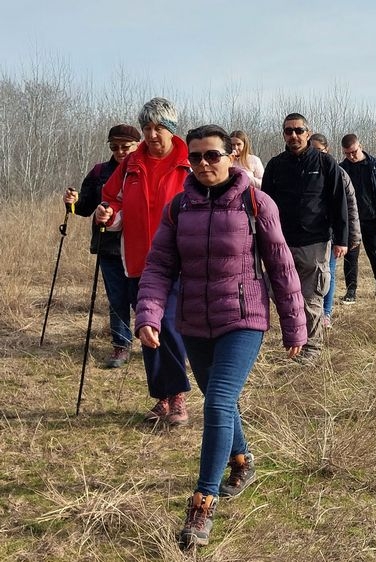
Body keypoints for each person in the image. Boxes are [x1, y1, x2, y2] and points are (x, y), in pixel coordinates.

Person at [135, 125, 305, 548]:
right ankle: (243, 461)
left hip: (243, 319)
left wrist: (294, 324)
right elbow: (157, 267)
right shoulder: (179, 208)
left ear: (231, 155)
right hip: (193, 321)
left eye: (212, 155)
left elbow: (281, 267)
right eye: (195, 158)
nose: (204, 164)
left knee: (218, 401)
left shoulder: (255, 203)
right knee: (219, 398)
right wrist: (148, 315)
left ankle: (202, 502)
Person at [94, 97, 191, 425]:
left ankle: (177, 398)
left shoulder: (189, 161)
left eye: (159, 127)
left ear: (172, 129)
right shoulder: (131, 164)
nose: (152, 134)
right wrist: (106, 214)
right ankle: (161, 398)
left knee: (169, 326)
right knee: (147, 329)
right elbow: (112, 201)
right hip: (138, 261)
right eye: (147, 127)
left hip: (180, 263)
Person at [261, 114, 348, 362]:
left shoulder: (325, 163)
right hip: (282, 243)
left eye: (299, 130)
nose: (294, 136)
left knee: (311, 297)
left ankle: (312, 349)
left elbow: (338, 203)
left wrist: (341, 239)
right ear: (284, 135)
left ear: (308, 133)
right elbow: (264, 206)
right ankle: (294, 340)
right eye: (289, 131)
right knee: (283, 295)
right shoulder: (276, 165)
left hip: (315, 242)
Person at [63, 124, 140, 368]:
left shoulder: (146, 169)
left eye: (125, 147)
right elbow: (85, 207)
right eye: (114, 147)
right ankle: (121, 345)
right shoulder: (99, 172)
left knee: (144, 299)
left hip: (143, 247)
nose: (120, 152)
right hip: (109, 247)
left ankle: (155, 344)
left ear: (138, 146)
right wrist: (72, 204)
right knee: (117, 298)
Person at [309, 133, 361, 329]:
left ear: (327, 150)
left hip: (330, 235)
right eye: (311, 151)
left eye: (319, 151)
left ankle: (326, 314)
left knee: (327, 274)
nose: (316, 155)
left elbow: (350, 207)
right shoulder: (301, 173)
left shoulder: (338, 173)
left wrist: (351, 237)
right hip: (306, 236)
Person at [339, 133, 376, 299]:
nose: (351, 156)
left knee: (374, 252)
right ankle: (351, 292)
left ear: (361, 146)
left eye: (353, 152)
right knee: (351, 255)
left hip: (373, 217)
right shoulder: (341, 169)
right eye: (347, 153)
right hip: (351, 219)